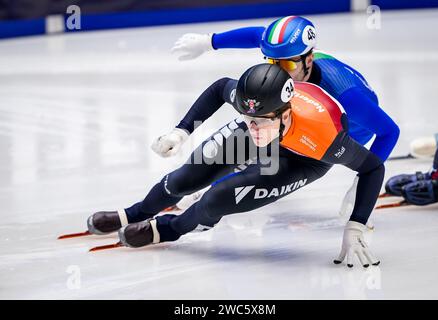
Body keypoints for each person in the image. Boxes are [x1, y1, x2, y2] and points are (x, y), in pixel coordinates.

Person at [88, 64, 384, 268]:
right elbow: (220, 88)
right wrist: (182, 131)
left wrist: (355, 225)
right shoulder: (256, 108)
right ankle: (134, 213)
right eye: (248, 120)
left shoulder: (325, 139)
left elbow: (372, 168)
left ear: (284, 114)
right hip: (280, 133)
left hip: (304, 158)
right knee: (186, 177)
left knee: (217, 198)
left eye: (260, 121)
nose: (253, 128)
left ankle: (168, 229)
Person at [164, 16, 399, 213]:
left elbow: (389, 132)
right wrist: (210, 42)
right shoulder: (290, 56)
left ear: (309, 59)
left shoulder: (348, 96)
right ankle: (211, 184)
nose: (277, 72)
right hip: (305, 107)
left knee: (272, 156)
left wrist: (363, 180)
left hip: (347, 131)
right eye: (271, 62)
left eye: (286, 67)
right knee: (256, 130)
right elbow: (258, 35)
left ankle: (214, 189)